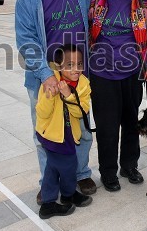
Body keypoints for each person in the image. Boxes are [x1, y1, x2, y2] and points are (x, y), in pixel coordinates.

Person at [15, 0, 96, 205]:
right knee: (45, 132)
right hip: (44, 75)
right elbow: (26, 40)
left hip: (78, 73)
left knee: (81, 127)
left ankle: (81, 173)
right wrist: (46, 74)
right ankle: (49, 181)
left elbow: (106, 0)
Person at [88, 0, 147, 192]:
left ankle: (129, 166)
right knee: (107, 126)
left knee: (130, 122)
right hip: (101, 72)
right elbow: (87, 27)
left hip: (132, 71)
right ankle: (107, 171)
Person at [36, 44, 92, 219]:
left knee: (53, 168)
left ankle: (49, 202)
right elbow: (42, 112)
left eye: (80, 64)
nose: (76, 69)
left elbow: (81, 112)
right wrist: (49, 95)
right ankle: (66, 195)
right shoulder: (50, 82)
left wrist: (68, 95)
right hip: (51, 135)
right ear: (59, 66)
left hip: (69, 134)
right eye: (70, 65)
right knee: (68, 166)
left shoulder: (83, 83)